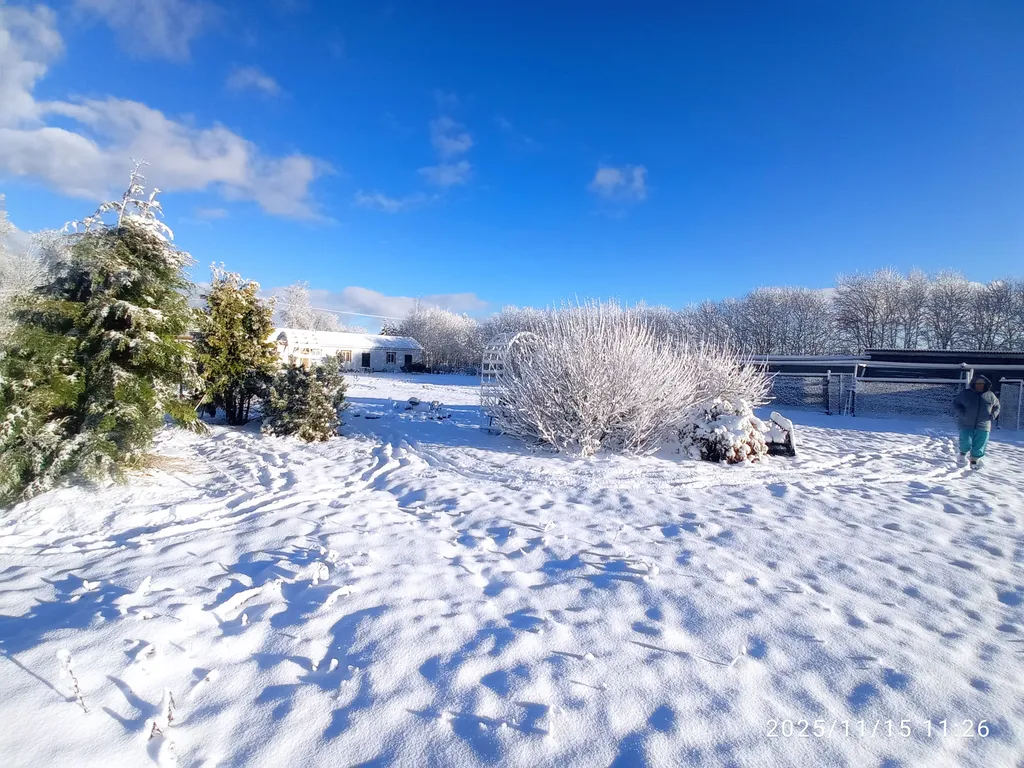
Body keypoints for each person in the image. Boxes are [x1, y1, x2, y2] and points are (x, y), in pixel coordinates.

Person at [953, 375, 1000, 469]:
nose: (980, 385)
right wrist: (961, 413)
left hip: (984, 425)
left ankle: (974, 460)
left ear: (985, 385)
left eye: (982, 384)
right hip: (966, 423)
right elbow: (956, 403)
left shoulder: (990, 395)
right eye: (978, 383)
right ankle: (962, 454)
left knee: (980, 443)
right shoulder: (966, 393)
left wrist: (993, 415)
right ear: (974, 384)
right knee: (965, 442)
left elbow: (997, 406)